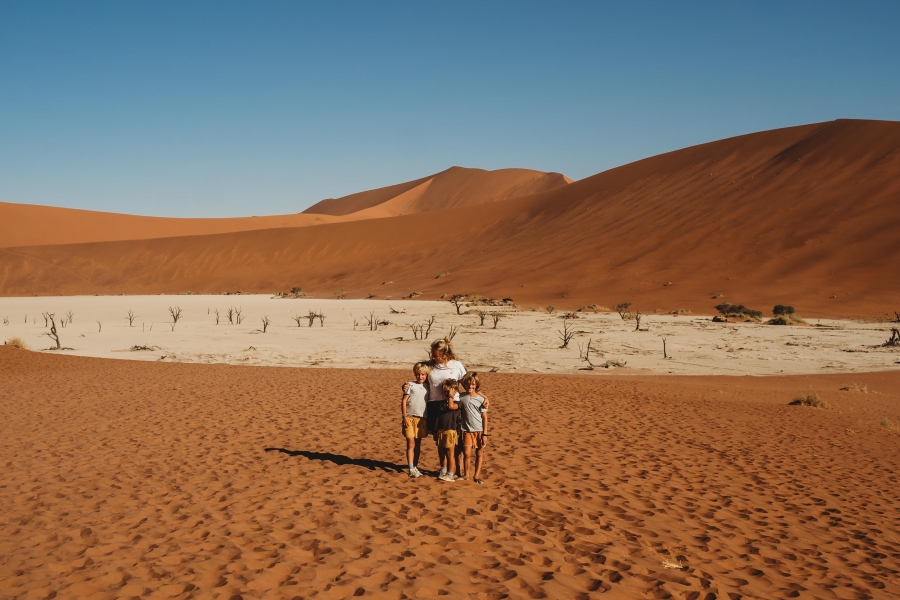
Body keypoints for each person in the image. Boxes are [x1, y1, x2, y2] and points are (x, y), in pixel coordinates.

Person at [457, 372, 489, 484]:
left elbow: (484, 417)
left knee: (479, 453)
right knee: (467, 453)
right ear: (464, 384)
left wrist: (485, 434)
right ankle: (466, 475)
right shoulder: (461, 397)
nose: (470, 387)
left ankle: (476, 476)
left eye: (473, 385)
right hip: (466, 430)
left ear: (476, 385)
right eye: (468, 384)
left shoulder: (481, 400)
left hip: (479, 430)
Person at [400, 362, 431, 478]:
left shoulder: (428, 386)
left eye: (423, 374)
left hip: (422, 418)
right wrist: (404, 416)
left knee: (418, 443)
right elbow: (404, 401)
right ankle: (411, 467)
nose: (420, 377)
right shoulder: (410, 385)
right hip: (410, 417)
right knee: (410, 443)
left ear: (426, 375)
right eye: (418, 374)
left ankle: (415, 466)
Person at [434, 378, 461, 482]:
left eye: (449, 391)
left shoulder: (458, 403)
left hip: (450, 431)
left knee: (450, 453)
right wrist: (436, 430)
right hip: (441, 430)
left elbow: (451, 406)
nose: (447, 393)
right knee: (441, 452)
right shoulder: (441, 404)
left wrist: (451, 396)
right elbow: (438, 418)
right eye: (445, 391)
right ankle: (443, 469)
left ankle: (450, 474)